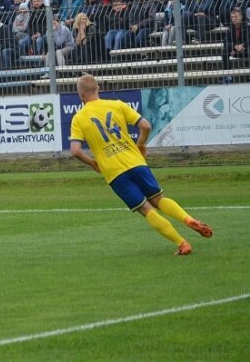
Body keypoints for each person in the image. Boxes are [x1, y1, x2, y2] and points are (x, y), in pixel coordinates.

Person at [69, 74, 213, 255]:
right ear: (98, 89)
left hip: (114, 172)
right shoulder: (117, 105)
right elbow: (145, 125)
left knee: (146, 209)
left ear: (81, 94)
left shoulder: (79, 118)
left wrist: (92, 163)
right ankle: (188, 219)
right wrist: (140, 145)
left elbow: (75, 150)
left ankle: (182, 243)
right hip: (136, 161)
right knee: (158, 199)